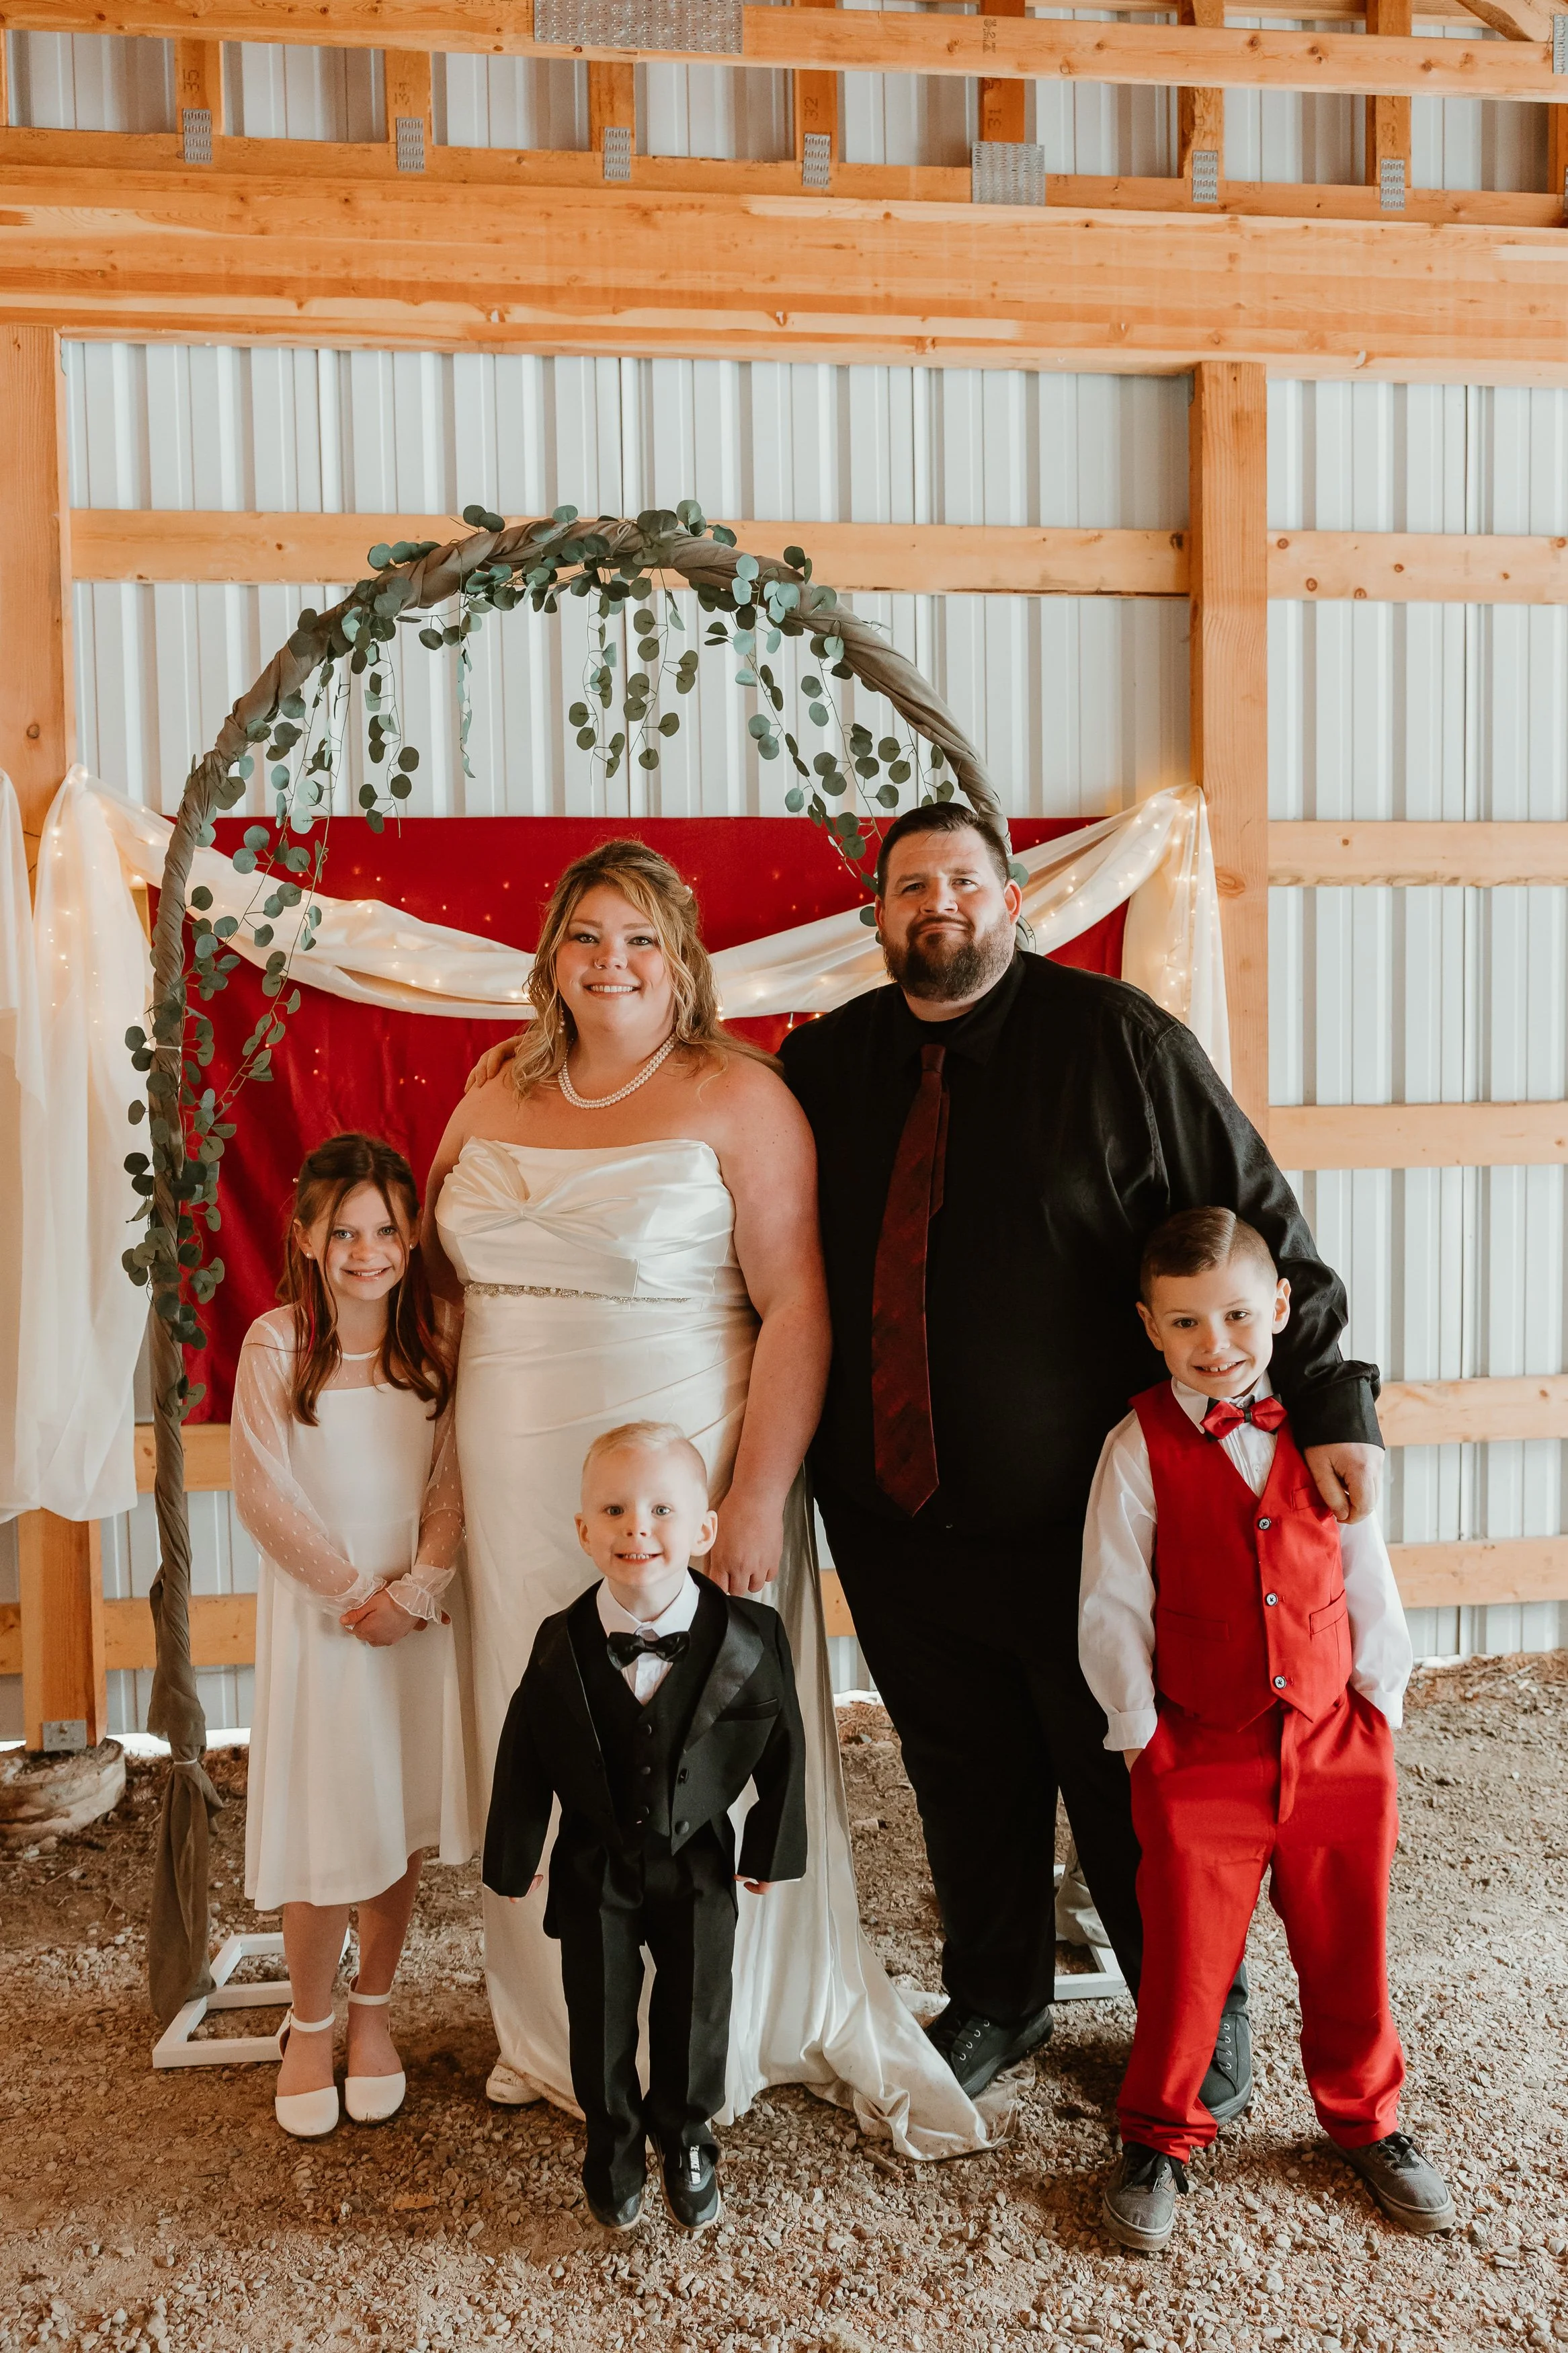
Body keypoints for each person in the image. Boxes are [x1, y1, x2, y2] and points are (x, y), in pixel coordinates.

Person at [778, 801, 1386, 2107]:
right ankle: (996, 1995)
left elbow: (1258, 1225)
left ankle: (1195, 2011)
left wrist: (1331, 1402)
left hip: (1088, 1521)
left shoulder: (1119, 1045)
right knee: (959, 1774)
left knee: (1131, 1779)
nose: (934, 903)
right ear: (875, 916)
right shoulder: (824, 1068)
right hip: (891, 1521)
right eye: (906, 887)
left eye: (961, 881)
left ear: (1013, 901)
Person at [434, 837, 990, 2157]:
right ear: (550, 957)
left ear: (680, 960)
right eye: (584, 934)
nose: (608, 959)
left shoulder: (739, 1096)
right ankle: (553, 2027)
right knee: (551, 1721)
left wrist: (753, 1500)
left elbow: (797, 1306)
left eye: (637, 937)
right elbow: (434, 1281)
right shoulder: (491, 1084)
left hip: (683, 1468)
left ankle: (705, 2029)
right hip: (517, 1478)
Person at [1080, 1207, 1454, 2250]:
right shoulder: (1136, 1444)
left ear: (1281, 1310)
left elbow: (1365, 1571)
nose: (1218, 1345)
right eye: (1188, 1324)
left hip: (1337, 1736)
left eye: (1239, 1316)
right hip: (1197, 1746)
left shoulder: (1325, 1432)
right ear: (1151, 1328)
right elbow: (1111, 1602)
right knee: (1188, 1960)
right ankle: (1160, 2135)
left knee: (1349, 1945)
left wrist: (1381, 1701)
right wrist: (1138, 1733)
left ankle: (1366, 2120)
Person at [485, 1421, 807, 2232]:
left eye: (663, 1508)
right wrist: (518, 1849)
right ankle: (612, 2140)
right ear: (584, 1529)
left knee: (699, 2000)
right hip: (595, 1860)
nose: (638, 1526)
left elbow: (783, 1743)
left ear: (703, 1529)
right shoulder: (558, 1642)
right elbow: (524, 1749)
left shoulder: (751, 1635)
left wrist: (772, 1839)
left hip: (698, 1858)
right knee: (596, 2004)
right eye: (616, 1508)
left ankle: (687, 2134)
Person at [231, 1133, 475, 2140]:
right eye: (344, 1233)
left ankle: (373, 2012)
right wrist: (352, 1594)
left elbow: (454, 1475)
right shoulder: (275, 1344)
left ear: (412, 1234)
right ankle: (310, 2022)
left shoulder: (443, 1340)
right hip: (325, 1621)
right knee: (326, 1821)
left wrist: (417, 1590)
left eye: (383, 1229)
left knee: (393, 1818)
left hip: (410, 1619)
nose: (366, 1251)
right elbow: (261, 1490)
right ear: (306, 1239)